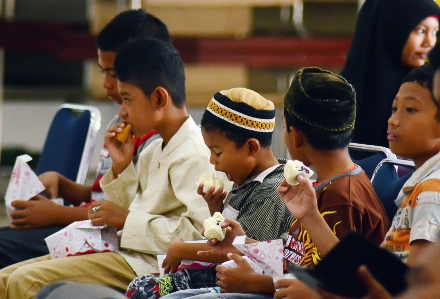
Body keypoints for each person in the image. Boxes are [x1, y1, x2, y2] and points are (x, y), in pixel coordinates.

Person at [0, 38, 212, 299]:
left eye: (127, 99)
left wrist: (126, 219)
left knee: (25, 282)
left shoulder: (194, 154)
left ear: (159, 98)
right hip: (126, 252)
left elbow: (197, 237)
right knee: (2, 280)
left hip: (153, 266)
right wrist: (121, 168)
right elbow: (124, 212)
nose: (122, 112)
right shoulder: (155, 149)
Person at [160, 67, 390, 299]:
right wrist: (242, 242)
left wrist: (254, 283)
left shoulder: (342, 199)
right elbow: (295, 258)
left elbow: (335, 284)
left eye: (284, 127)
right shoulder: (319, 187)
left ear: (296, 134)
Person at [0, 9, 167, 282]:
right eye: (103, 71)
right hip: (84, 227)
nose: (107, 84)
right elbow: (106, 195)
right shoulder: (121, 122)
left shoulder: (156, 137)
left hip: (103, 240)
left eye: (114, 73)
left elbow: (127, 213)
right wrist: (67, 187)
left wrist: (57, 214)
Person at [286, 64, 440, 299]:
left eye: (410, 110)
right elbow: (365, 276)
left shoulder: (431, 193)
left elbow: (412, 290)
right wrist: (309, 215)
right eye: (394, 108)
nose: (393, 120)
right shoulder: (419, 187)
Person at [126, 88, 295, 299]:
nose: (212, 161)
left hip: (239, 286)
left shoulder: (269, 192)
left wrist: (182, 250)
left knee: (145, 291)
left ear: (251, 148)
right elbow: (229, 240)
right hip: (219, 276)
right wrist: (215, 209)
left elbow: (241, 254)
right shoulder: (249, 179)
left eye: (218, 152)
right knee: (142, 285)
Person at [341, 0, 440, 148]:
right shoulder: (337, 94)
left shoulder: (431, 89)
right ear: (389, 29)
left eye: (435, 33)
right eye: (421, 31)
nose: (430, 42)